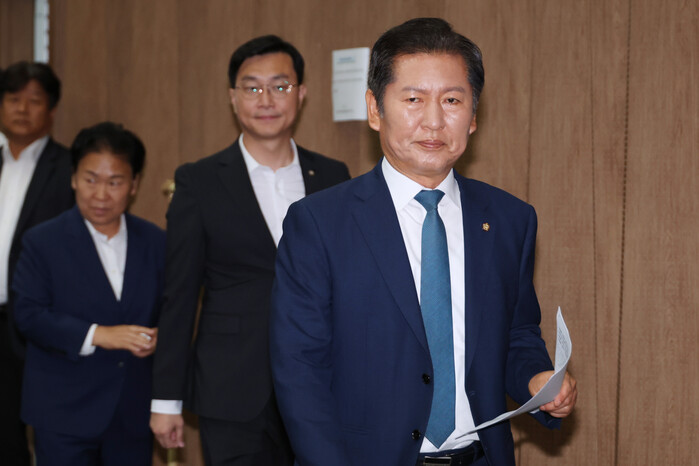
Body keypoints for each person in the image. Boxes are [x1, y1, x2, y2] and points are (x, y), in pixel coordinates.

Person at [270, 17, 578, 466]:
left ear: (474, 116)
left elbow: (516, 332)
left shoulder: (509, 219)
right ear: (375, 109)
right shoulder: (319, 223)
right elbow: (300, 371)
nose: (434, 121)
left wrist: (536, 379)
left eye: (452, 100)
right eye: (413, 99)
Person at [150, 35, 350, 465]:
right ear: (232, 97)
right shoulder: (198, 181)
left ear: (301, 93)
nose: (266, 99)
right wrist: (166, 399)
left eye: (280, 86)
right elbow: (179, 296)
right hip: (232, 387)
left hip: (322, 383)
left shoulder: (333, 177)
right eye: (252, 87)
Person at [12, 121, 165, 465]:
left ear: (134, 184)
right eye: (91, 180)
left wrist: (161, 338)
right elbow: (29, 315)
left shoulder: (156, 242)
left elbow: (172, 311)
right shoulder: (42, 241)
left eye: (115, 182)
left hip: (132, 410)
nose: (100, 195)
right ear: (73, 179)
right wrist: (98, 335)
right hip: (63, 410)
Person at [0, 61, 74, 465]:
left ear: (52, 109)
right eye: (13, 99)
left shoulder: (70, 170)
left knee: (49, 428)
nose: (22, 109)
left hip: (40, 320)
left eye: (34, 100)